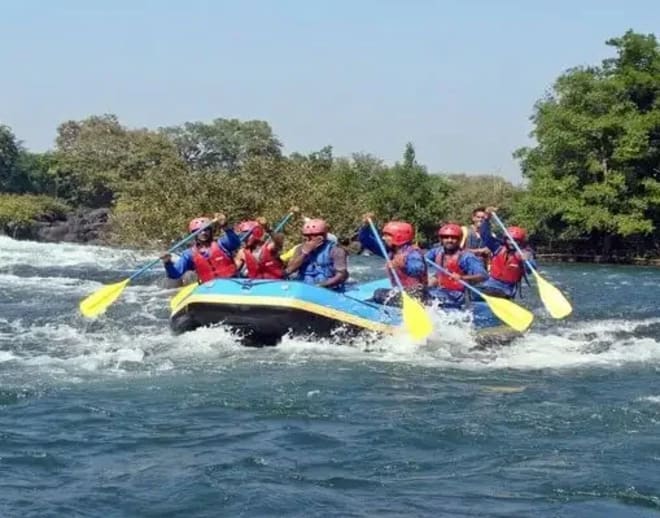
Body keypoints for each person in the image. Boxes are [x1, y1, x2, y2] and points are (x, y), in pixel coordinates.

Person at [357, 213, 427, 305]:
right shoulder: (390, 251)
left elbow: (418, 270)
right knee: (378, 293)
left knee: (379, 294)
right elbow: (365, 240)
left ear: (399, 237)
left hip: (416, 295)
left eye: (387, 235)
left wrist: (401, 264)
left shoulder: (413, 254)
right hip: (401, 292)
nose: (384, 238)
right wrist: (366, 226)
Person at [161, 213, 241, 282]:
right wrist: (167, 262)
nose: (203, 233)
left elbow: (236, 242)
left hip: (232, 282)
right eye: (199, 231)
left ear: (210, 231)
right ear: (194, 234)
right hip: (209, 288)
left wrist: (225, 226)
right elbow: (175, 274)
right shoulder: (189, 254)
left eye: (206, 230)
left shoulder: (222, 244)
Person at [477, 207, 536, 298]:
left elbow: (531, 270)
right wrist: (486, 218)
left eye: (516, 240)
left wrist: (526, 261)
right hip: (491, 283)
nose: (512, 242)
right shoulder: (498, 247)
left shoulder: (525, 253)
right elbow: (485, 235)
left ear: (521, 242)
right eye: (509, 240)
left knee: (498, 295)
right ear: (505, 239)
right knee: (476, 293)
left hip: (507, 288)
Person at [426, 223, 488, 308]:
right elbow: (422, 262)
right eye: (446, 237)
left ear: (459, 240)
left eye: (454, 238)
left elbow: (484, 276)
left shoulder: (466, 257)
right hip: (440, 290)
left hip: (458, 296)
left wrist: (462, 278)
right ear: (441, 239)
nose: (449, 240)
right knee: (420, 291)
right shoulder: (436, 252)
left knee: (428, 297)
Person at [284, 218, 349, 291]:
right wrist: (305, 253)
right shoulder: (299, 249)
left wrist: (322, 285)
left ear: (322, 236)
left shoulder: (336, 250)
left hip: (328, 288)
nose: (308, 238)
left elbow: (342, 275)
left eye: (313, 235)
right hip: (303, 286)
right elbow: (289, 270)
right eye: (306, 235)